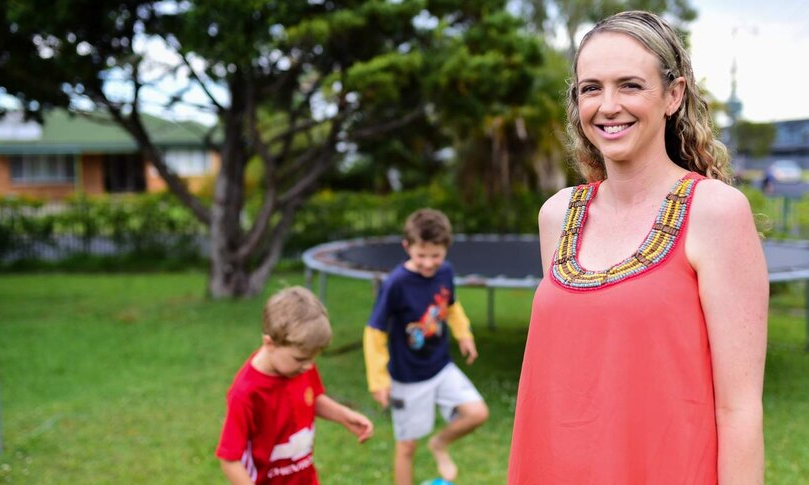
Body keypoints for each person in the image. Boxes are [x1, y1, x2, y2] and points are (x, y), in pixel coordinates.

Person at [507, 10, 768, 484]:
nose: (608, 105)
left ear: (673, 95)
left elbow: (740, 408)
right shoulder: (558, 214)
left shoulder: (716, 212)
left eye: (630, 85)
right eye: (591, 88)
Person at [363, 208, 489, 485]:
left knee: (477, 412)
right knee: (406, 447)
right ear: (407, 247)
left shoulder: (445, 272)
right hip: (407, 377)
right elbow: (374, 332)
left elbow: (451, 306)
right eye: (421, 255)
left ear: (446, 249)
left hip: (441, 366)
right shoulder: (395, 284)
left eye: (436, 255)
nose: (429, 263)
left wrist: (464, 335)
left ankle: (439, 444)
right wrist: (378, 381)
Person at [216, 286, 374, 485]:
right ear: (269, 343)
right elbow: (229, 459)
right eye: (300, 359)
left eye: (312, 359)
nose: (308, 366)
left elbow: (312, 398)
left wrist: (344, 416)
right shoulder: (246, 392)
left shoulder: (299, 366)